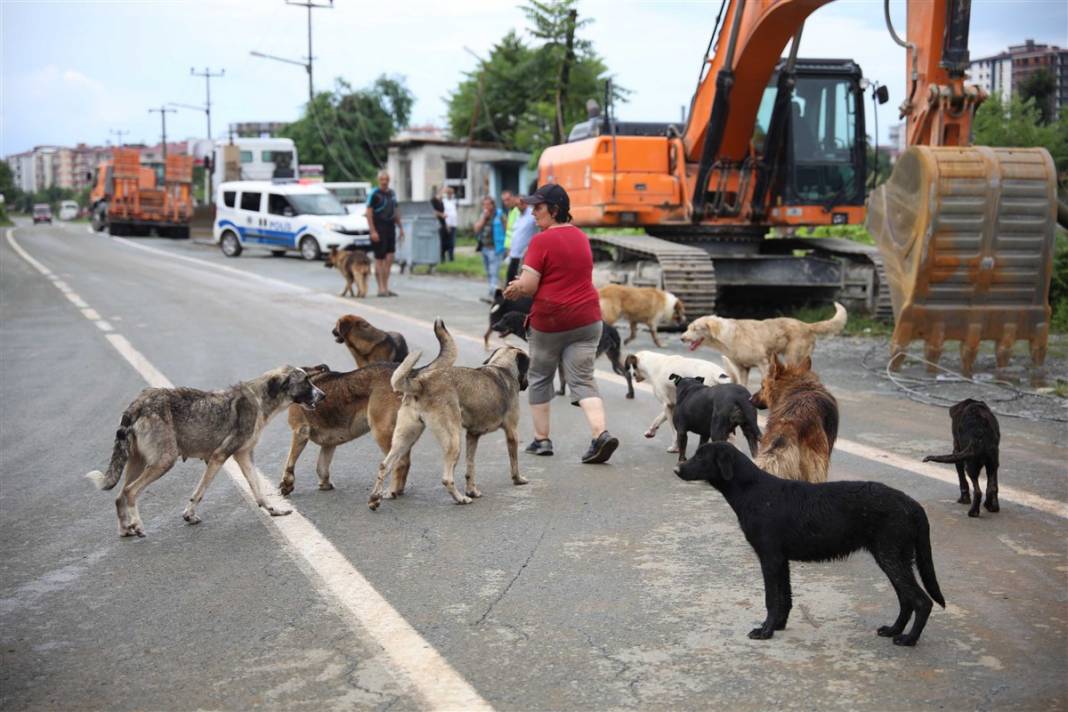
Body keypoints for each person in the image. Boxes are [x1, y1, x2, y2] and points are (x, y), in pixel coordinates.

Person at [502, 183, 619, 464]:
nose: (532, 213)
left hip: (550, 323)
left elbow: (530, 285)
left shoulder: (541, 241)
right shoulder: (580, 237)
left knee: (541, 375)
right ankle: (600, 434)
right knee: (582, 378)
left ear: (554, 210)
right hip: (588, 320)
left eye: (538, 208)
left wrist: (516, 287)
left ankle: (542, 440)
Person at [365, 170, 404, 297]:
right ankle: (380, 288)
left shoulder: (392, 193)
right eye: (382, 179)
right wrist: (373, 231)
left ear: (389, 180)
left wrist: (401, 227)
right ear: (378, 180)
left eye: (386, 179)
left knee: (389, 258)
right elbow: (369, 213)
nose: (384, 182)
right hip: (378, 228)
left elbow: (396, 210)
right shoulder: (374, 194)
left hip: (390, 228)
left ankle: (386, 287)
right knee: (379, 259)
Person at [473, 195, 506, 302]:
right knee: (488, 271)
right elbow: (476, 229)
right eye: (484, 204)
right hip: (485, 248)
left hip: (495, 248)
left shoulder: (499, 215)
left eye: (488, 204)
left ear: (493, 205)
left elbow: (507, 229)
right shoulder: (483, 215)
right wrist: (484, 218)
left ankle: (493, 295)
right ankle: (492, 291)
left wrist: (506, 245)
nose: (486, 206)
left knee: (493, 272)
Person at [505, 196, 534, 284]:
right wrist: (509, 247)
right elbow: (513, 232)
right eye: (517, 204)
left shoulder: (532, 214)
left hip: (524, 255)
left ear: (526, 203)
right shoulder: (517, 214)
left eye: (520, 204)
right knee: (510, 278)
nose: (518, 206)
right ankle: (507, 297)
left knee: (519, 281)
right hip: (514, 253)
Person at [430, 186, 447, 262]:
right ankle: (436, 257)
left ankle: (442, 257)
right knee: (437, 241)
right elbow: (432, 211)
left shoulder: (441, 202)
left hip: (442, 222)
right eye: (443, 192)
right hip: (436, 222)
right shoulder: (433, 201)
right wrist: (441, 215)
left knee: (443, 241)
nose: (444, 194)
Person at [441, 186, 458, 262]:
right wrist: (446, 224)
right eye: (449, 193)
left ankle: (451, 257)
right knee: (445, 242)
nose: (450, 195)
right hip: (446, 225)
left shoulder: (453, 201)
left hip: (453, 224)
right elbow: (445, 214)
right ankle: (443, 257)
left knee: (452, 242)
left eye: (451, 193)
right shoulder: (444, 202)